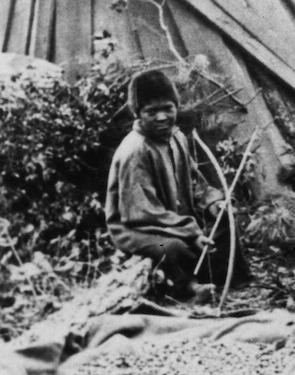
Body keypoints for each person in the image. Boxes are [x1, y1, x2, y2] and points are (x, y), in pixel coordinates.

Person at [105, 69, 248, 302]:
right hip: (139, 228)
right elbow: (142, 212)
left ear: (176, 107)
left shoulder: (177, 138)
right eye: (152, 111)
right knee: (172, 247)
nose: (162, 117)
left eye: (167, 108)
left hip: (175, 217)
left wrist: (213, 202)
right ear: (138, 113)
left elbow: (194, 181)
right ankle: (190, 289)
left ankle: (228, 281)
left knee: (224, 220)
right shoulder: (135, 151)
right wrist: (191, 233)